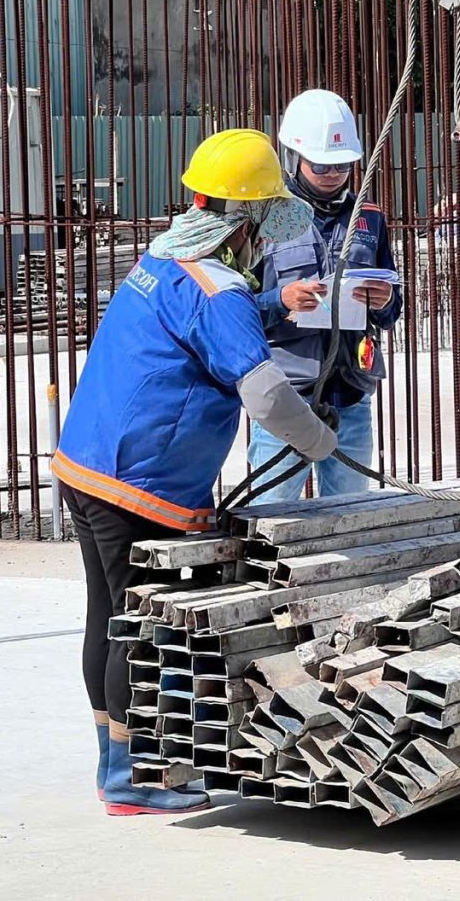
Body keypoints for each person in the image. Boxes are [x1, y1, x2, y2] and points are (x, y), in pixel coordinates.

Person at [52, 128, 338, 816]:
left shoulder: (162, 258)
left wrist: (275, 305)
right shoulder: (221, 290)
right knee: (138, 628)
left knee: (107, 615)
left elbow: (201, 318)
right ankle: (130, 779)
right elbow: (264, 394)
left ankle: (113, 762)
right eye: (264, 225)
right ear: (248, 223)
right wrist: (320, 441)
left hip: (86, 464)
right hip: (138, 483)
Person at [245, 88, 401, 503]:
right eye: (321, 165)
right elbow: (234, 311)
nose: (333, 174)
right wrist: (281, 300)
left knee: (348, 516)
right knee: (271, 514)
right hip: (285, 398)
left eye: (342, 165)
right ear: (294, 157)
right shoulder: (265, 218)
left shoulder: (369, 218)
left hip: (350, 395)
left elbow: (392, 310)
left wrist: (385, 302)